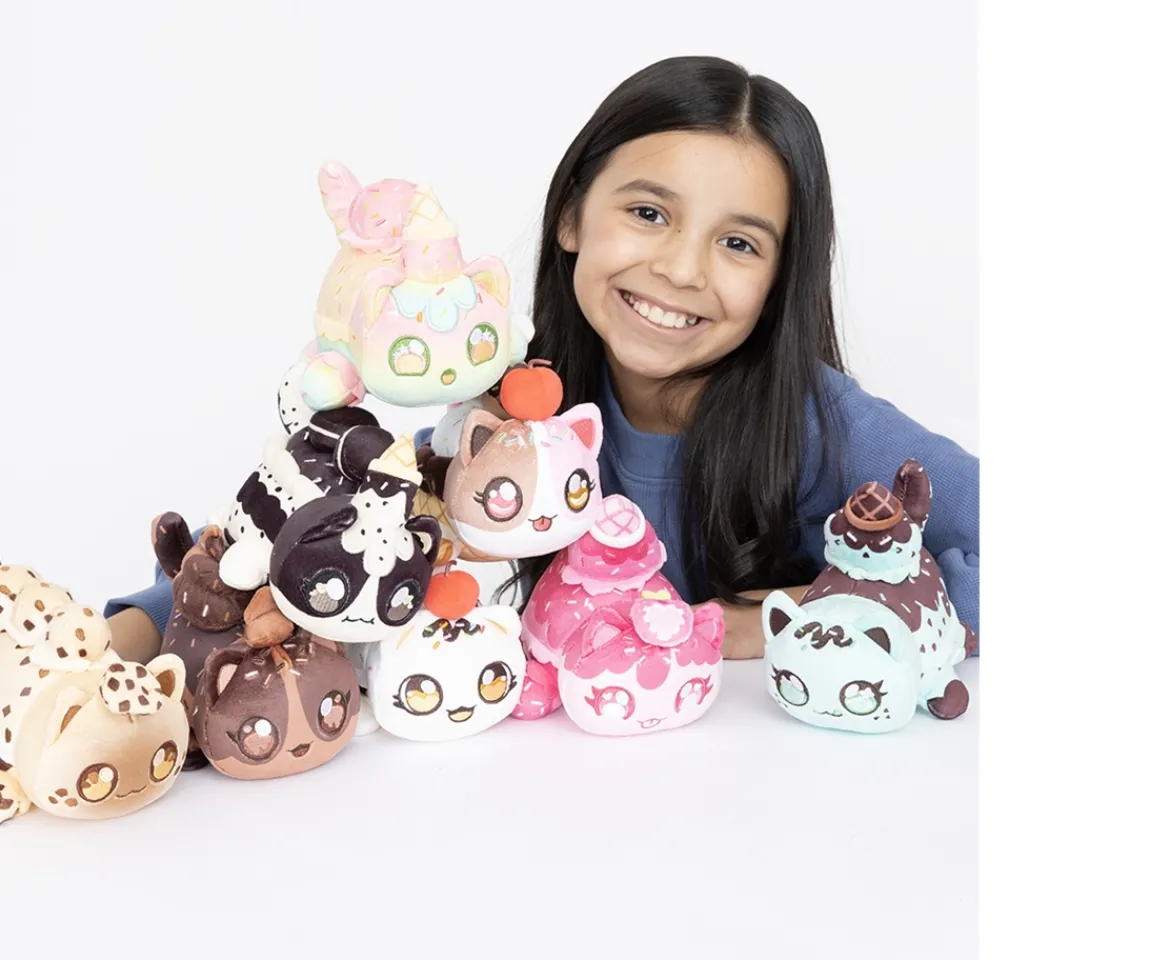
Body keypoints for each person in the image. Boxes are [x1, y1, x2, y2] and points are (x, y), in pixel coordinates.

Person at [104, 55, 979, 664]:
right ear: (571, 217)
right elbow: (306, 537)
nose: (682, 270)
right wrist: (131, 637)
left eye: (739, 243)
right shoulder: (510, 414)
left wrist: (778, 617)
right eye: (648, 213)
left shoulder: (824, 426)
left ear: (781, 278)